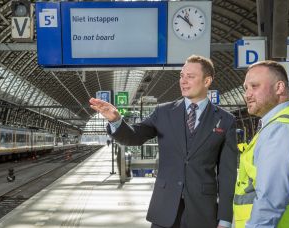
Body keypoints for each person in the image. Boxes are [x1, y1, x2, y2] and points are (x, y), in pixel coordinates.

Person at [90, 55, 238, 228]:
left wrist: (226, 218)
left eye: (190, 76)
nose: (183, 81)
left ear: (207, 81)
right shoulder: (163, 112)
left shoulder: (225, 120)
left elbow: (227, 175)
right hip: (164, 209)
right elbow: (134, 136)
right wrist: (116, 121)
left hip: (203, 212)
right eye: (181, 76)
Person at [233, 60, 289, 227]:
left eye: (254, 86)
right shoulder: (285, 122)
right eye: (246, 88)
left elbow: (270, 201)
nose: (247, 94)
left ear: (279, 87)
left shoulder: (282, 129)